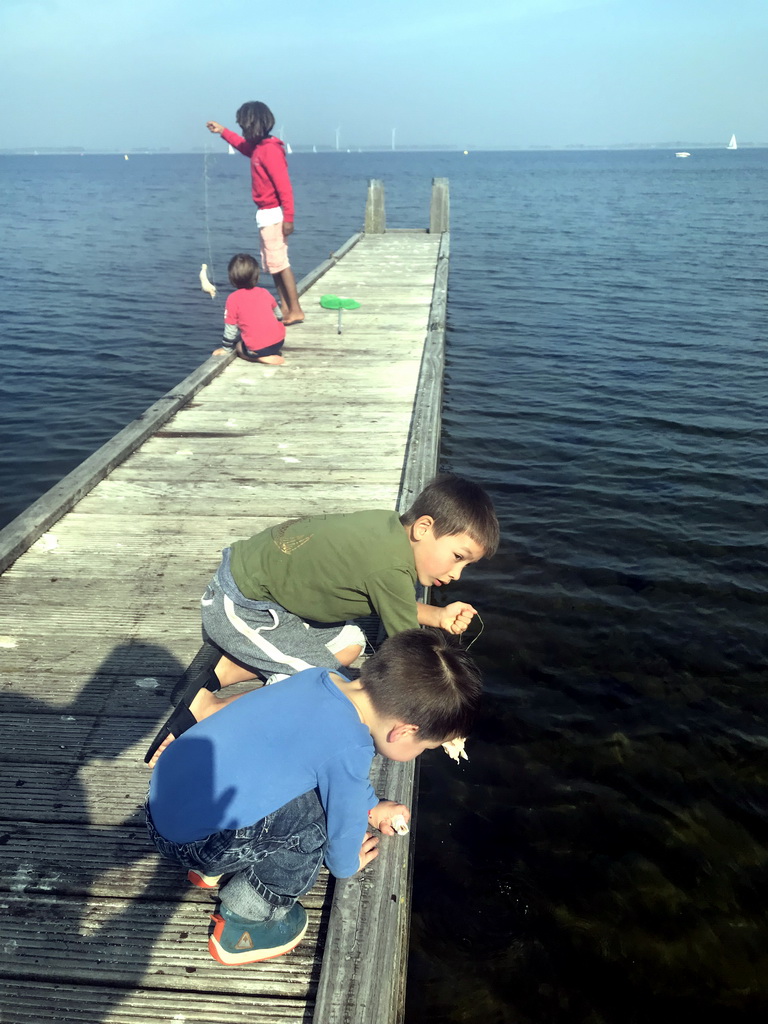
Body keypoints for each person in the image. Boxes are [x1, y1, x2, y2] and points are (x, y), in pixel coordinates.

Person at [146, 627, 483, 965]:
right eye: (426, 747)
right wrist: (348, 861)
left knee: (292, 777)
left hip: (164, 803)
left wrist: (373, 805)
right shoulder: (351, 745)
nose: (422, 752)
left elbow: (309, 757)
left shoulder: (319, 678)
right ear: (405, 731)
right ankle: (247, 916)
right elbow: (343, 828)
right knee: (320, 820)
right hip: (197, 843)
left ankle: (213, 868)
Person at [145, 473, 499, 765]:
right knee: (321, 685)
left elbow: (389, 602)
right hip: (241, 605)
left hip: (263, 596)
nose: (457, 574)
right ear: (423, 528)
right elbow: (412, 662)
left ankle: (224, 669)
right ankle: (206, 707)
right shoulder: (391, 568)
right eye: (457, 557)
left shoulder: (389, 531)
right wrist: (443, 721)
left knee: (353, 641)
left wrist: (435, 615)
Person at [207, 102, 304, 326]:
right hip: (265, 214)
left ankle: (295, 309)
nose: (241, 130)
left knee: (280, 264)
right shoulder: (259, 148)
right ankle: (286, 307)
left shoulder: (270, 150)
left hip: (273, 215)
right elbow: (242, 146)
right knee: (273, 265)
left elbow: (284, 187)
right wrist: (222, 131)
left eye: (242, 125)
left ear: (252, 124)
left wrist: (289, 218)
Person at [212, 253, 286, 365]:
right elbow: (278, 313)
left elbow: (231, 328)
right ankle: (267, 353)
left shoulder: (233, 299)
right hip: (279, 342)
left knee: (238, 347)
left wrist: (226, 349)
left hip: (259, 350)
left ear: (231, 279)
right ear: (257, 276)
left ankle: (259, 358)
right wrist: (279, 320)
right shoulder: (264, 292)